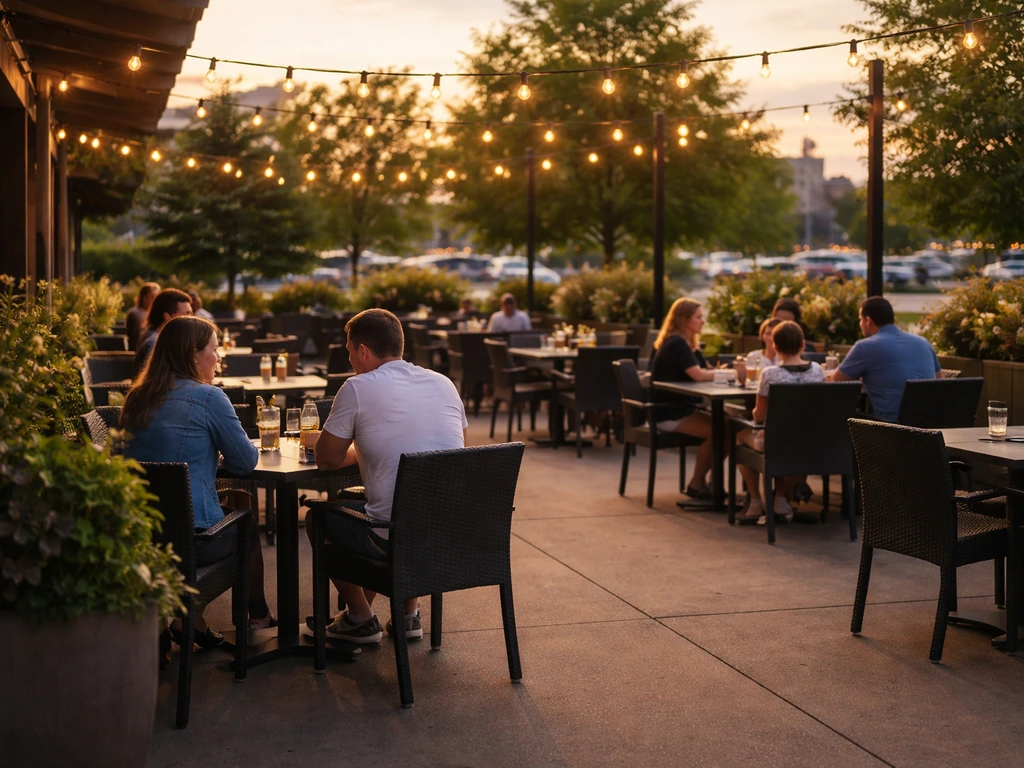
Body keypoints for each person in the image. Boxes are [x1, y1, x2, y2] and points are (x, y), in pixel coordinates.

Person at [308, 309, 468, 643]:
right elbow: (435, 450)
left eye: (350, 351)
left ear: (363, 351)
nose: (350, 358)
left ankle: (360, 617)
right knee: (391, 502)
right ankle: (408, 615)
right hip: (453, 530)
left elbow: (326, 459)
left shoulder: (357, 387)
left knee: (319, 518)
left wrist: (348, 444)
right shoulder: (444, 383)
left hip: (394, 535)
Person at [121, 316, 275, 655]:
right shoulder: (209, 398)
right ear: (194, 355)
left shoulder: (137, 398)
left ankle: (190, 620)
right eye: (215, 350)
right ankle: (250, 617)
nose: (218, 359)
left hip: (139, 532)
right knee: (246, 522)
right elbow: (246, 461)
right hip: (191, 538)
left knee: (235, 505)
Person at [734, 321, 825, 524]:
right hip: (810, 442)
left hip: (777, 442)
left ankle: (756, 500)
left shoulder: (770, 374)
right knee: (782, 438)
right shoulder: (818, 371)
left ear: (775, 346)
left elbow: (759, 416)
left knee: (740, 437)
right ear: (802, 345)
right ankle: (780, 498)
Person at [830, 296, 940, 421]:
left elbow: (837, 381)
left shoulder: (865, 346)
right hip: (930, 423)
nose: (860, 324)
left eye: (860, 320)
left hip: (889, 428)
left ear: (868, 321)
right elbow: (939, 381)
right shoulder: (923, 343)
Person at [650, 298, 718, 500]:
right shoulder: (676, 343)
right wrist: (730, 374)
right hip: (668, 411)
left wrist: (723, 372)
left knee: (730, 425)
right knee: (719, 432)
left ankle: (713, 482)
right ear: (684, 320)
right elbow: (698, 375)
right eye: (698, 317)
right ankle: (697, 484)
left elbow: (706, 370)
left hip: (682, 408)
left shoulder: (688, 344)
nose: (703, 321)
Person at [132, 288, 193, 381]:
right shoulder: (155, 345)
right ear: (168, 317)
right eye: (187, 314)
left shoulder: (160, 339)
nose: (192, 319)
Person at [125, 282, 160, 351]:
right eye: (153, 296)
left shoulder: (151, 313)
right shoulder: (136, 314)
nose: (155, 300)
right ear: (144, 297)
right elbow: (136, 341)